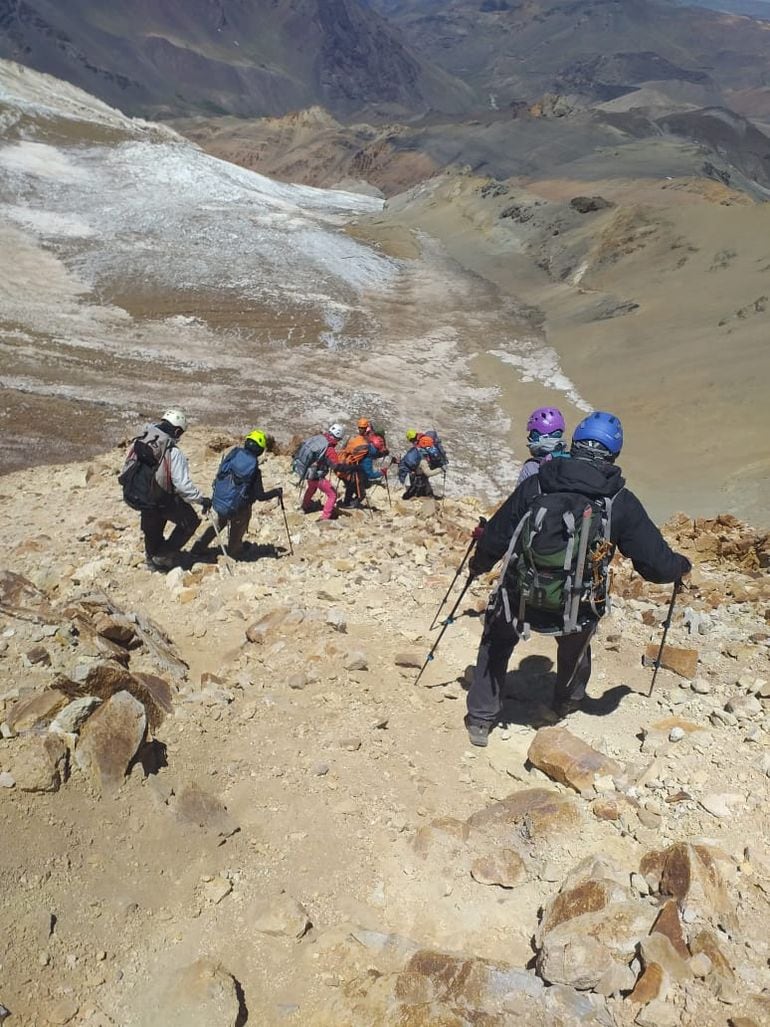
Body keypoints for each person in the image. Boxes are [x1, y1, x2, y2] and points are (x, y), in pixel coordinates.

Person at [464, 411, 691, 746]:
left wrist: (477, 566)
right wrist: (680, 566)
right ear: (614, 453)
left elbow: (497, 536)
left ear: (573, 444)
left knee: (496, 639)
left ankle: (481, 719)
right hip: (575, 607)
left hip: (520, 597)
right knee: (579, 639)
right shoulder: (619, 501)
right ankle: (567, 698)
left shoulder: (537, 483)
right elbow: (655, 565)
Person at [121, 408, 211, 571]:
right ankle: (163, 556)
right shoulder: (173, 452)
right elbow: (183, 486)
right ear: (177, 430)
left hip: (141, 496)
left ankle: (151, 559)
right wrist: (201, 499)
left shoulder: (142, 440)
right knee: (190, 521)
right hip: (162, 498)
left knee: (151, 528)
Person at [193, 430, 282, 557]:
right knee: (237, 528)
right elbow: (260, 496)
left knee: (219, 523)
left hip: (221, 498)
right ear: (260, 450)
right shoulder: (254, 470)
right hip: (240, 507)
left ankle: (198, 546)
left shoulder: (233, 455)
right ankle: (234, 552)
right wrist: (276, 492)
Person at [297, 423, 344, 520]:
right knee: (332, 495)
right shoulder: (330, 449)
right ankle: (325, 516)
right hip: (318, 476)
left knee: (311, 488)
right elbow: (335, 466)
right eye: (339, 439)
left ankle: (305, 506)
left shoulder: (320, 439)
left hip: (309, 472)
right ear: (338, 438)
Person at [338, 418, 385, 508]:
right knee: (361, 494)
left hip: (345, 469)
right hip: (356, 473)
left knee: (350, 488)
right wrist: (382, 472)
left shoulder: (356, 440)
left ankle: (346, 503)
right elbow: (370, 474)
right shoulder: (367, 452)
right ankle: (351, 508)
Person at [517, 407, 568, 486]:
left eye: (532, 434)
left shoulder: (531, 467)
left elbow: (521, 497)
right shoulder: (572, 461)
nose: (529, 438)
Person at [398, 429, 444, 499]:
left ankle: (422, 496)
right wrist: (442, 469)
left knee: (415, 490)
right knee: (414, 492)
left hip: (409, 475)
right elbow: (428, 473)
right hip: (414, 475)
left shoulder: (415, 452)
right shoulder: (423, 457)